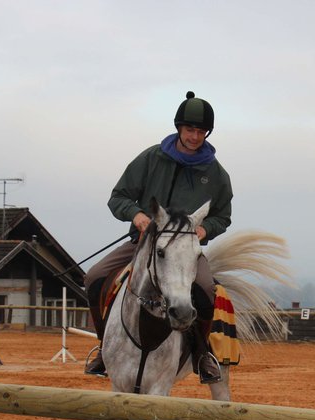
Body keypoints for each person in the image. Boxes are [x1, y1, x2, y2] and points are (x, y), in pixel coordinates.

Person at [83, 91, 233, 384]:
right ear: (179, 128)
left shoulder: (216, 174)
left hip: (185, 250)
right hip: (143, 244)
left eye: (201, 131)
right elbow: (119, 197)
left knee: (205, 290)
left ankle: (202, 355)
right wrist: (136, 215)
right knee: (94, 277)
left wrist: (205, 230)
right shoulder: (151, 158)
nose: (195, 136)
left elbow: (222, 216)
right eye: (190, 129)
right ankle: (105, 348)